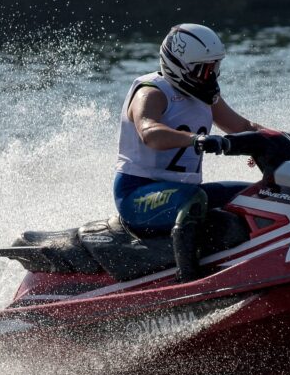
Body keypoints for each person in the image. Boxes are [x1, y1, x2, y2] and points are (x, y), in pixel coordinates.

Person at [114, 23, 266, 282]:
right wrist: (196, 140)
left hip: (184, 192)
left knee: (257, 194)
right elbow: (149, 131)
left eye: (214, 68)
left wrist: (276, 139)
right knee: (192, 199)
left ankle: (263, 259)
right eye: (204, 70)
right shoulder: (152, 91)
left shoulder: (206, 96)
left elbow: (243, 127)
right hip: (136, 195)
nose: (211, 76)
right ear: (179, 66)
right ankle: (189, 281)